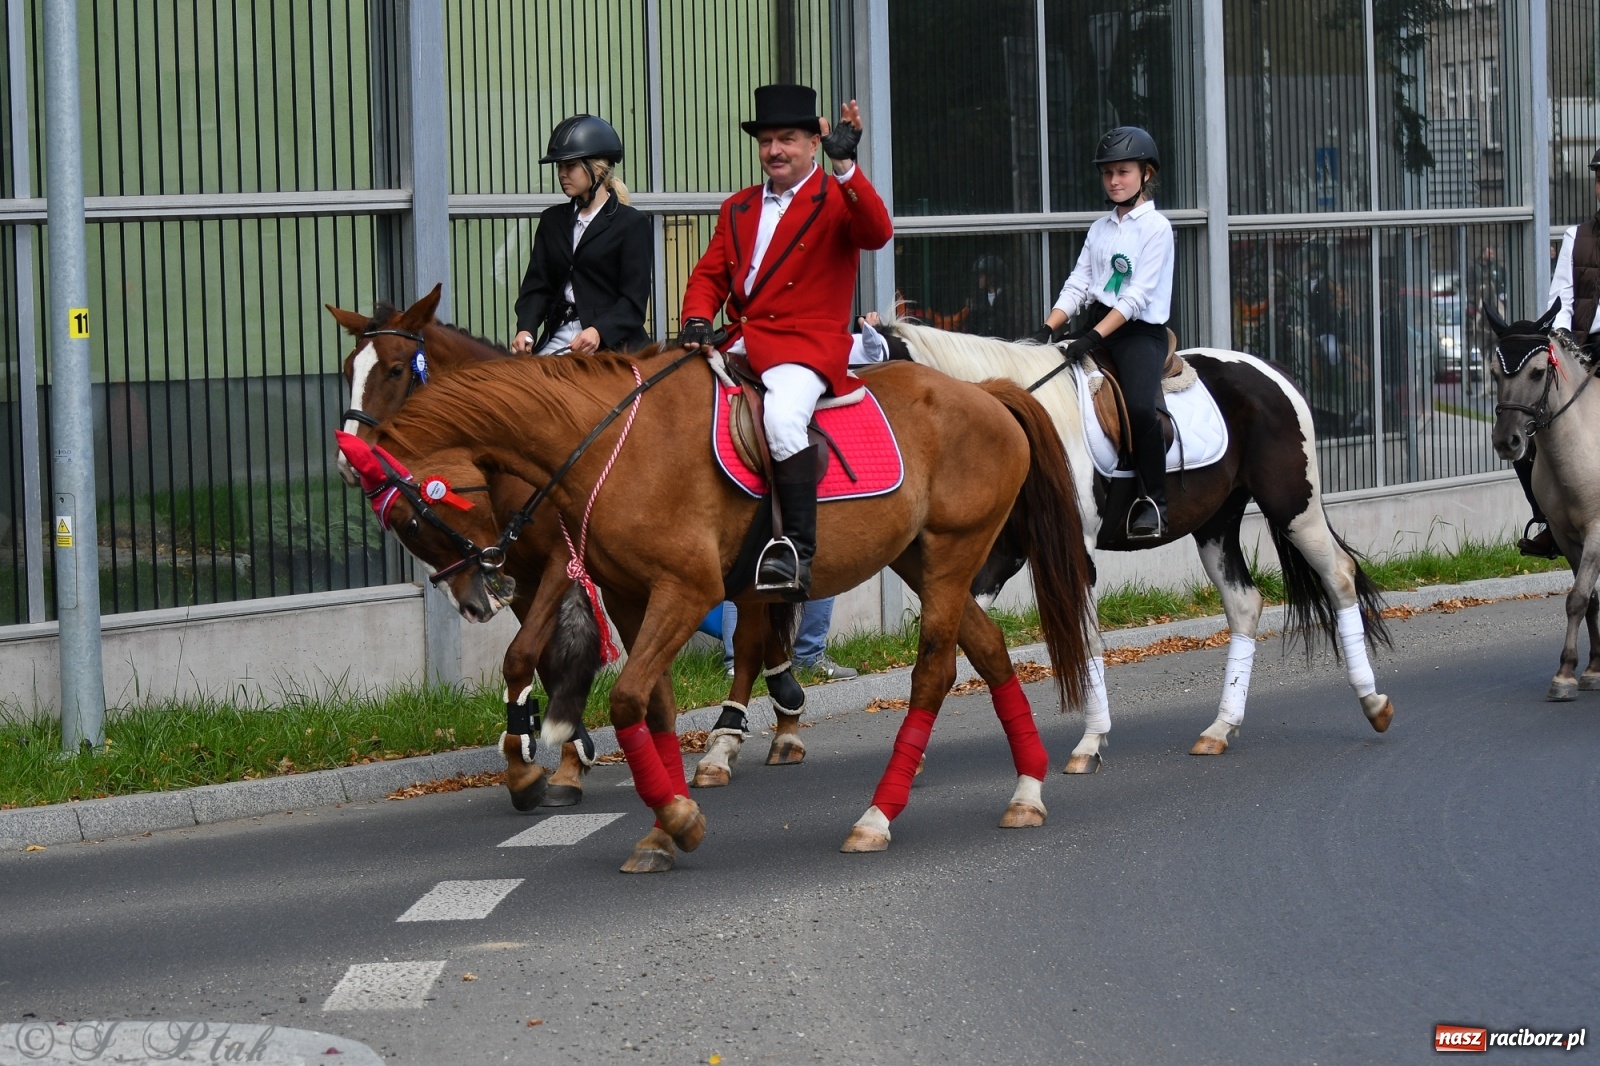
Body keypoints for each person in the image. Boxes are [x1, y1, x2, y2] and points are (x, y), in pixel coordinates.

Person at [677, 83, 893, 599]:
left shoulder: (839, 197)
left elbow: (878, 231)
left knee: (780, 420)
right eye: (767, 140)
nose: (775, 150)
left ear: (815, 143)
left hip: (805, 345)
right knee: (674, 396)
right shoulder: (738, 207)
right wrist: (696, 319)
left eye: (788, 139)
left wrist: (847, 169)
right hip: (741, 337)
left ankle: (795, 551)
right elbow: (709, 276)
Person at [1026, 126, 1175, 540]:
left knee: (1142, 409)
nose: (1114, 181)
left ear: (1146, 174)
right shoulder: (1100, 228)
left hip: (1138, 334)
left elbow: (1137, 297)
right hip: (1095, 326)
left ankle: (1153, 501)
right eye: (1108, 173)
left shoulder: (1157, 228)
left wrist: (1092, 336)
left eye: (1123, 172)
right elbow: (1077, 284)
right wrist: (1048, 328)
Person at [512, 114, 651, 356]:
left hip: (612, 344)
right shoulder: (551, 221)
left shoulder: (632, 224)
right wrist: (526, 329)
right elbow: (537, 287)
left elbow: (633, 302)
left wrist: (598, 331)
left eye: (570, 165)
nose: (562, 174)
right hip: (559, 336)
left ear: (597, 168)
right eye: (559, 166)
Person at [1518, 147, 1600, 558]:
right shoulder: (1576, 236)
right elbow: (1561, 301)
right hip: (1583, 352)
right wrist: (1567, 349)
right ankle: (1548, 521)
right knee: (1528, 426)